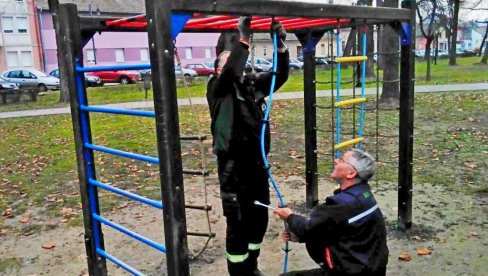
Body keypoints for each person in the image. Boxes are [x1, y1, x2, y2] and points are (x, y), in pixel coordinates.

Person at [206, 16, 289, 276]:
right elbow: (231, 70)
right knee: (238, 222)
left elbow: (280, 76)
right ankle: (238, 272)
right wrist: (243, 39)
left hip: (256, 165)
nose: (238, 65)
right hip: (233, 168)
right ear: (218, 68)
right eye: (228, 60)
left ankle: (252, 267)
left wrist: (281, 45)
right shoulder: (217, 88)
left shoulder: (251, 88)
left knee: (258, 220)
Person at [274, 148, 389, 276]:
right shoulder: (365, 195)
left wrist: (289, 216)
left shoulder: (340, 204)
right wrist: (299, 237)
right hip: (369, 269)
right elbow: (329, 229)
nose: (335, 160)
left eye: (341, 160)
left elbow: (308, 229)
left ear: (351, 173)